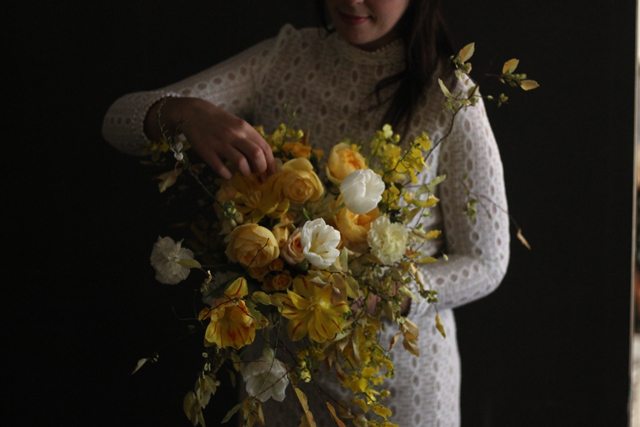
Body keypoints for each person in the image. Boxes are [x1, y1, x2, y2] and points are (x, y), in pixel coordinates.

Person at [102, 0, 510, 425]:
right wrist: (184, 114)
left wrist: (387, 296)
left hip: (399, 386)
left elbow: (487, 260)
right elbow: (116, 122)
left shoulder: (448, 93)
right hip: (281, 379)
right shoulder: (285, 59)